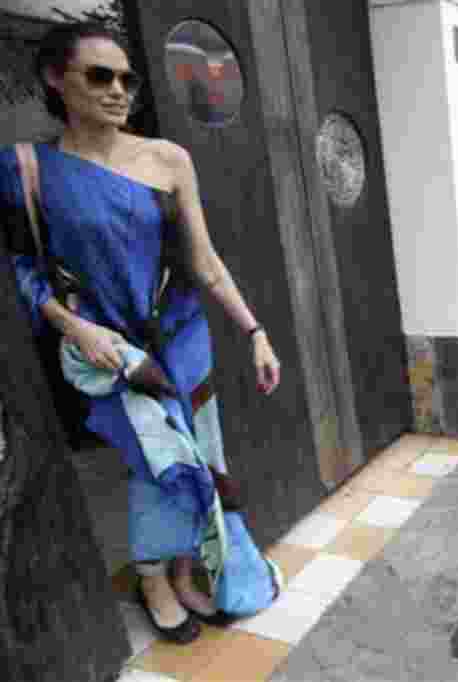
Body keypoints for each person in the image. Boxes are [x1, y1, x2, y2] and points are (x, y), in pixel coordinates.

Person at [0, 23, 281, 644]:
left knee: (202, 462)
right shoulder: (27, 170)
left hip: (183, 339)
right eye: (99, 75)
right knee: (156, 464)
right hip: (114, 354)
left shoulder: (167, 159)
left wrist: (255, 330)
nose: (118, 90)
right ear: (55, 79)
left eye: (126, 78)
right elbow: (24, 272)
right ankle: (151, 580)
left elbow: (205, 261)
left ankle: (184, 575)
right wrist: (72, 327)